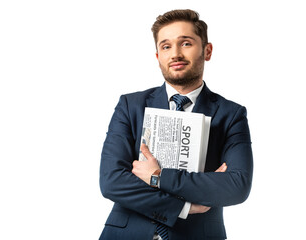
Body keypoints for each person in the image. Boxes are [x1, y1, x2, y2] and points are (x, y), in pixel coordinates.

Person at [99, 9, 253, 240]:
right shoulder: (130, 106)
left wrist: (158, 176)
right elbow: (112, 182)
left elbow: (236, 186)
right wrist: (184, 207)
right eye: (166, 46)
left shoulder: (231, 115)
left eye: (186, 43)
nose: (175, 54)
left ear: (207, 50)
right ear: (158, 56)